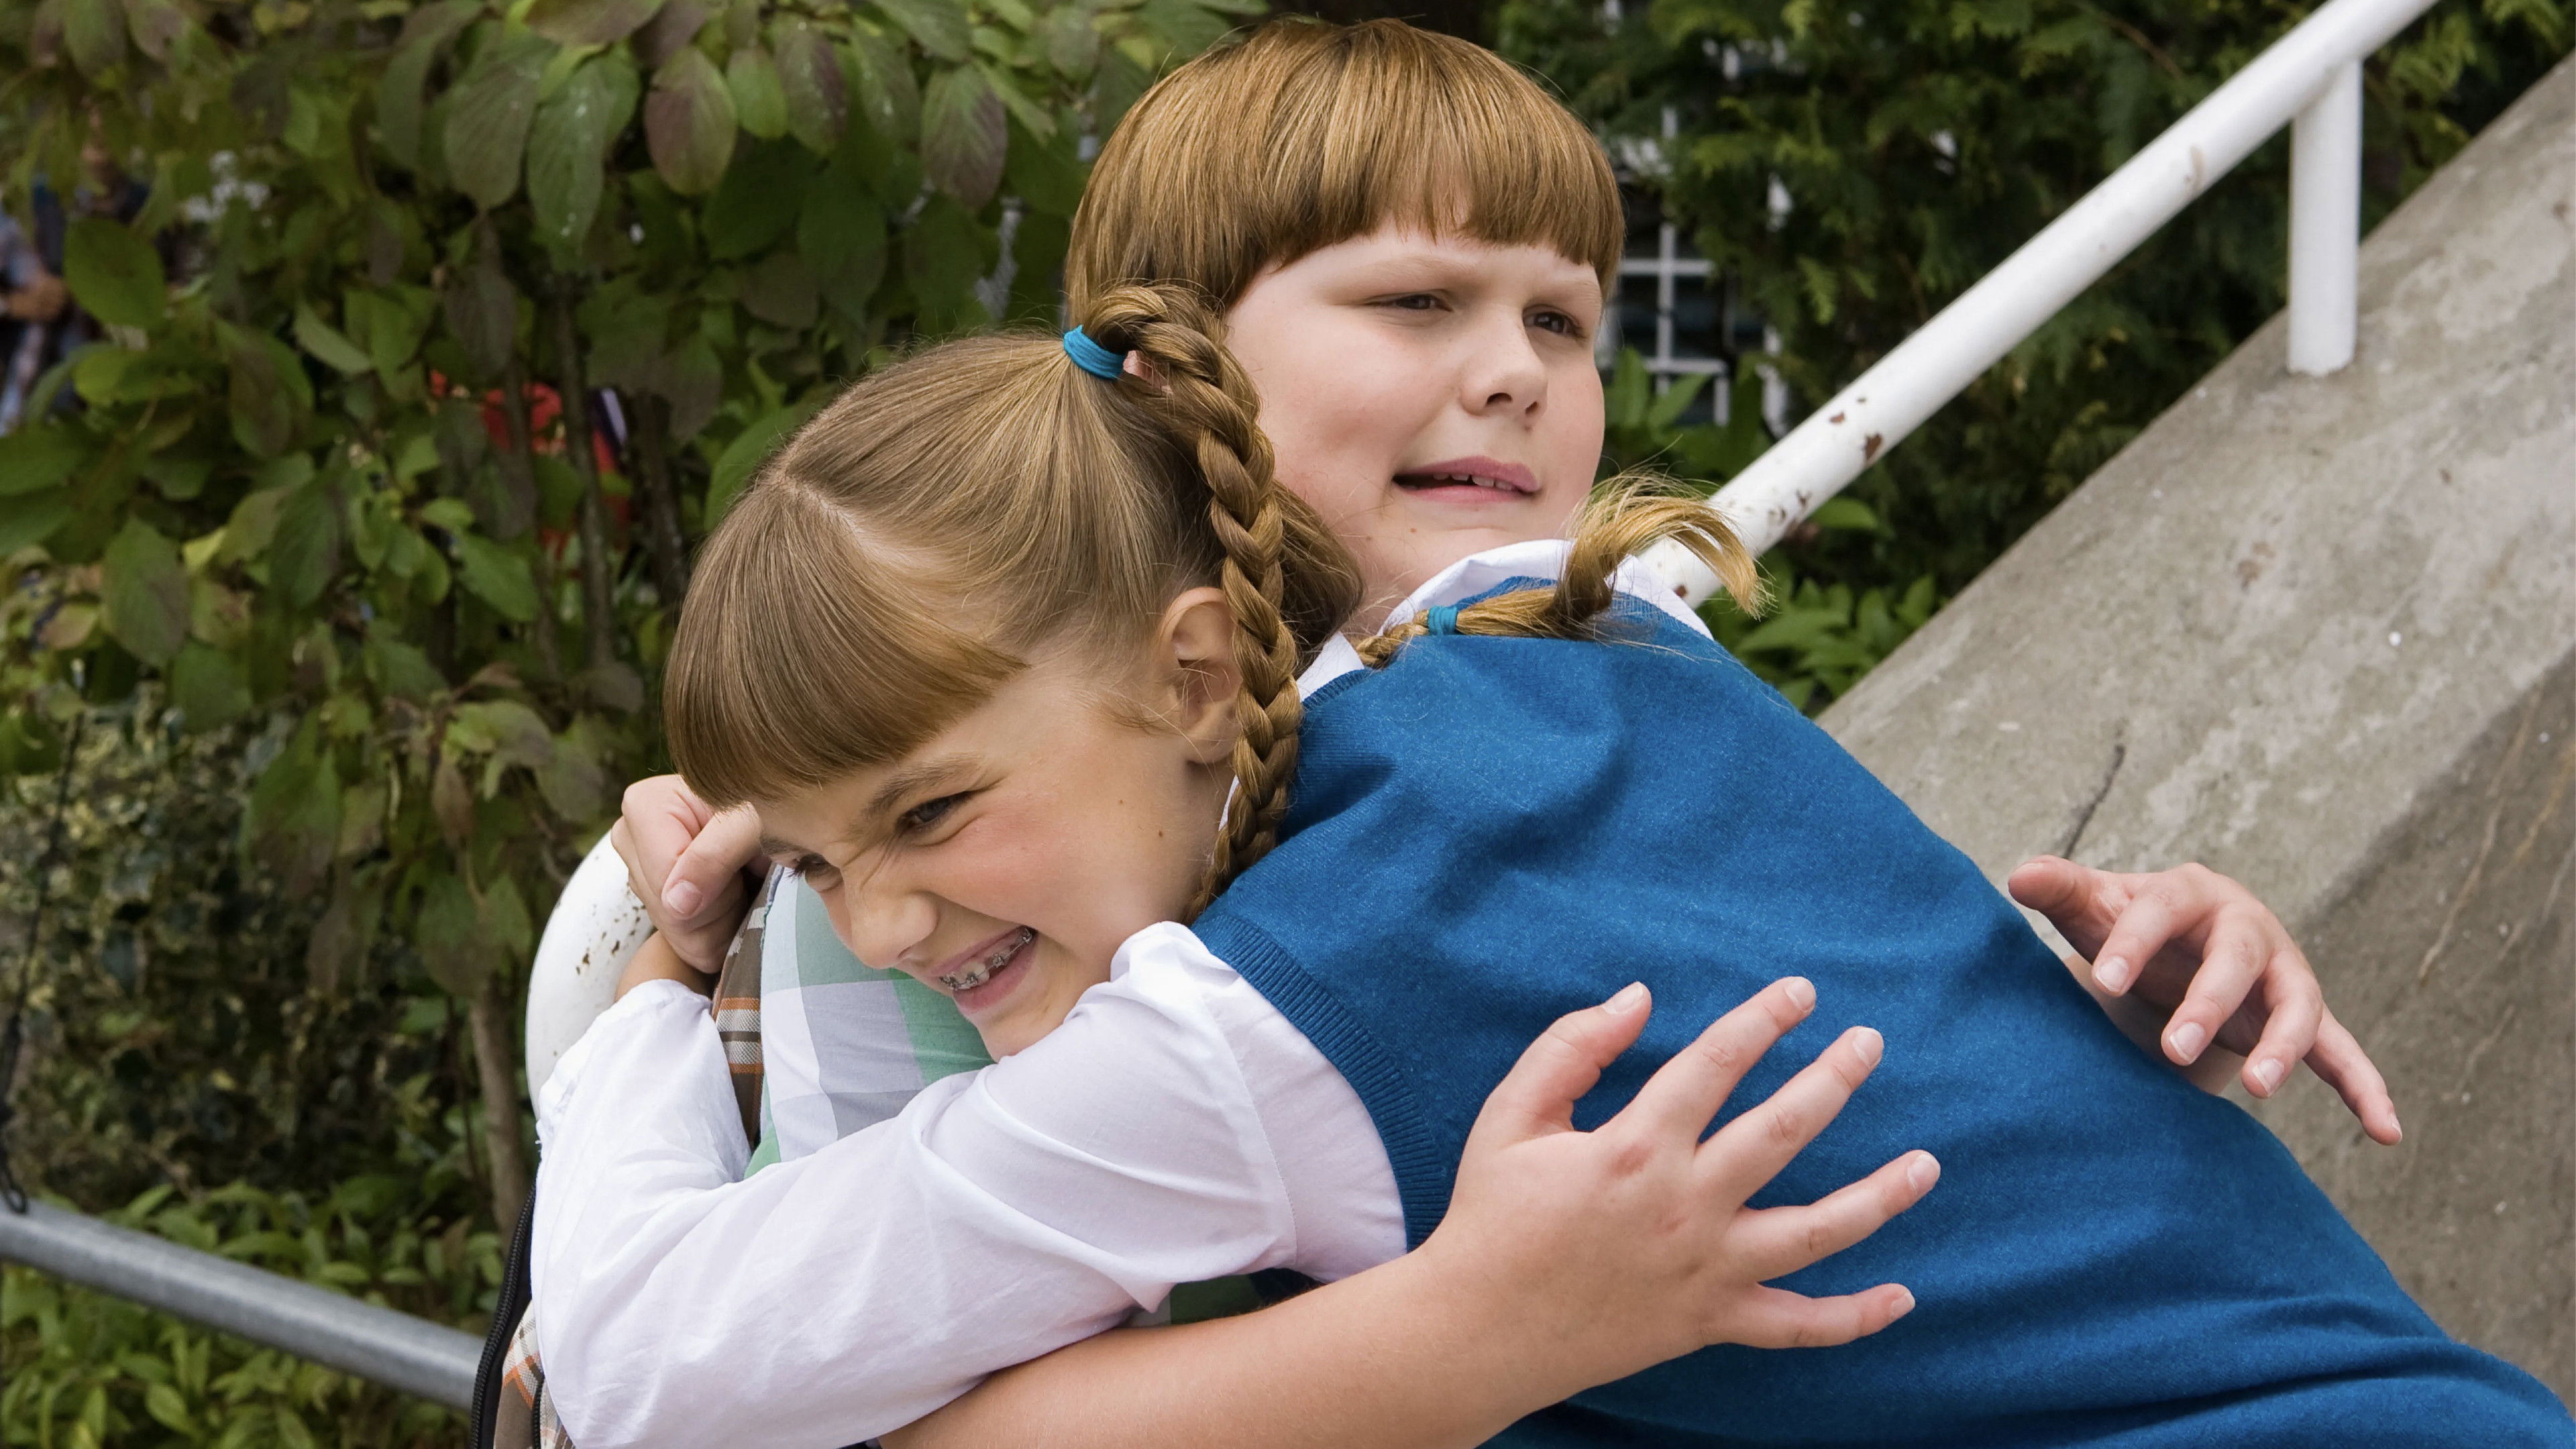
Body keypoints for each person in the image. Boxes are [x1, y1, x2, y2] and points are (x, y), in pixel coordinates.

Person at [536, 289, 2567, 1448]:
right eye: (814, 864)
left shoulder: (1245, 1027)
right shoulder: (1562, 630)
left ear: (1200, 672)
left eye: (927, 814)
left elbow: (633, 1371)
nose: (882, 923)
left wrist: (649, 997)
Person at [614, 21, 2398, 1165]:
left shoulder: (1597, 685)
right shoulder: (938, 851)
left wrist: (2133, 979)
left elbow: (1834, 1015)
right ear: (1166, 370)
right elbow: (794, 1343)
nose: (1517, 372)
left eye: (1562, 320)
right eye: (1418, 303)